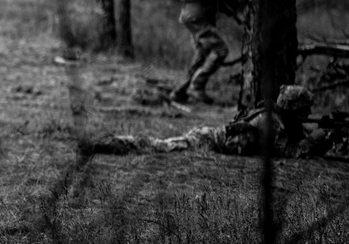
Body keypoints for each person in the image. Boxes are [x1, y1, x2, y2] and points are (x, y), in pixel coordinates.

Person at [94, 85, 343, 159]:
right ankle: (114, 143)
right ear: (293, 108)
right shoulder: (272, 121)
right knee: (161, 146)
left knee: (164, 145)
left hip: (212, 138)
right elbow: (288, 152)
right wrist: (317, 139)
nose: (306, 114)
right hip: (209, 140)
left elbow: (296, 138)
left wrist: (325, 136)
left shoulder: (281, 118)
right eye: (304, 110)